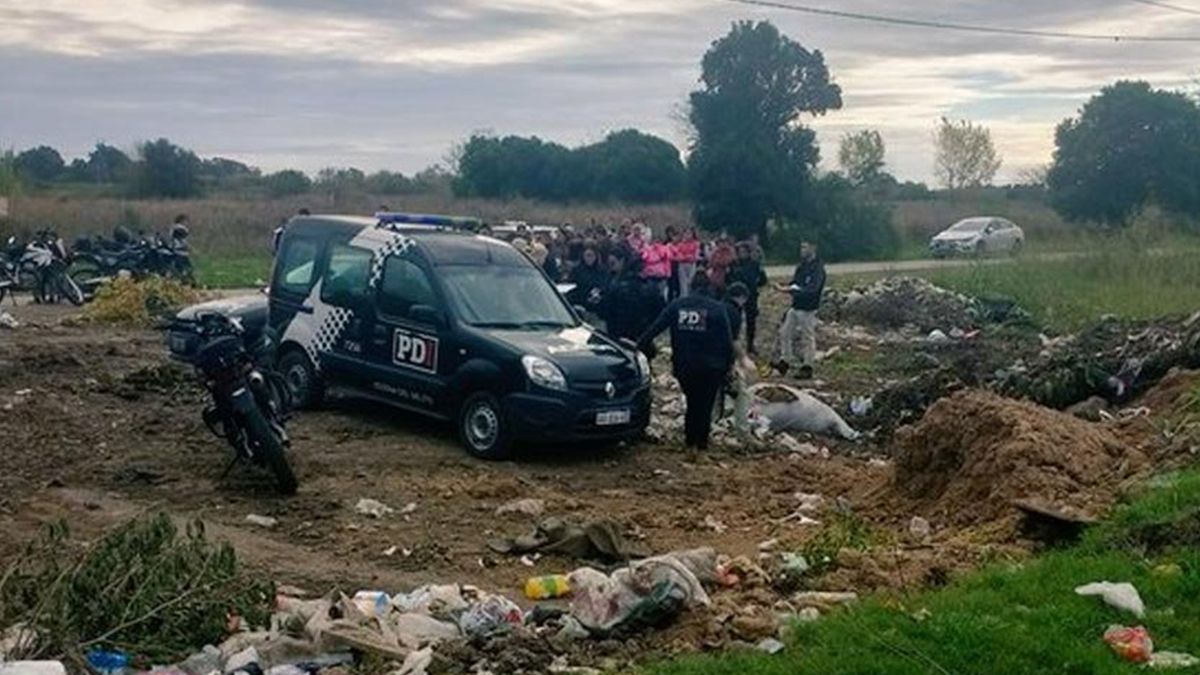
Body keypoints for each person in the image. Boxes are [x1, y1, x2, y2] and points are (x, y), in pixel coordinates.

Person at [638, 271, 735, 450]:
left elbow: (655, 329)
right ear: (709, 287)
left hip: (685, 364)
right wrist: (729, 366)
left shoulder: (677, 305)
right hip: (711, 366)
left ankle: (690, 441)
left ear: (691, 287)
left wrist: (638, 346)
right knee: (705, 406)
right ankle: (701, 444)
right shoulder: (717, 308)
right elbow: (727, 342)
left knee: (692, 402)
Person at [600, 246, 664, 358]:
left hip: (619, 335)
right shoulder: (650, 287)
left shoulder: (615, 286)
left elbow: (605, 311)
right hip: (643, 335)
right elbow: (660, 311)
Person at [775, 240, 826, 380]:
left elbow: (813, 289)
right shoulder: (802, 266)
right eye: (801, 247)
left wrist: (795, 290)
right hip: (796, 305)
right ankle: (785, 361)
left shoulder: (818, 269)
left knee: (807, 337)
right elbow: (795, 283)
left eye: (805, 247)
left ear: (813, 248)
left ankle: (808, 366)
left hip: (808, 307)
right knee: (784, 332)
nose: (802, 250)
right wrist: (785, 287)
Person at [727, 242, 768, 354]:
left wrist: (755, 285)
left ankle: (750, 345)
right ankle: (733, 343)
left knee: (751, 321)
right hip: (736, 297)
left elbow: (763, 280)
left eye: (744, 252)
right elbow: (728, 279)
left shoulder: (754, 264)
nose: (742, 254)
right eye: (740, 252)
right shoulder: (733, 264)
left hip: (750, 296)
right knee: (735, 320)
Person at [568, 244, 609, 320]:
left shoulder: (602, 270)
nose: (589, 258)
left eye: (592, 255)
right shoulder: (577, 270)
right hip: (581, 306)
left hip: (597, 308)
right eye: (587, 255)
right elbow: (572, 286)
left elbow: (605, 284)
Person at [673, 227, 701, 298]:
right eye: (686, 233)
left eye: (689, 233)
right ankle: (684, 297)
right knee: (683, 283)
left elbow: (696, 256)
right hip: (682, 265)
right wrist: (685, 257)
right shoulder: (680, 245)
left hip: (691, 265)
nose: (687, 235)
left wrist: (690, 257)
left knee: (691, 281)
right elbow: (678, 256)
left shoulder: (696, 244)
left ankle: (691, 297)